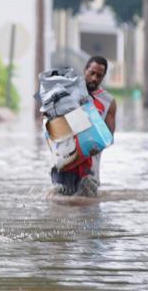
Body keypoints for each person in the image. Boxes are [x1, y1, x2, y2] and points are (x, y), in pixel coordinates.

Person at [52, 55, 117, 197]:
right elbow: (51, 122)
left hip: (90, 169)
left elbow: (109, 137)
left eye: (99, 75)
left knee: (88, 210)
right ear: (85, 70)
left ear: (103, 77)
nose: (94, 78)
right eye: (91, 73)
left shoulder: (108, 102)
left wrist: (98, 145)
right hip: (66, 161)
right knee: (58, 206)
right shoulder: (68, 92)